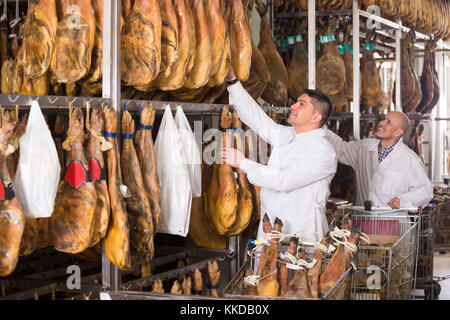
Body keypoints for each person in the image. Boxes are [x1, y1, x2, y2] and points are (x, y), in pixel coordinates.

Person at [221, 68, 337, 243]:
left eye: (301, 104)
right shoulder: (287, 135)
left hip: (303, 234)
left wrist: (243, 162)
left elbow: (284, 180)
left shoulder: (323, 152)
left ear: (316, 117)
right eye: (296, 102)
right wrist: (232, 82)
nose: (293, 106)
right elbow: (255, 117)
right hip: (270, 228)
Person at [325, 111, 433, 210]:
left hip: (393, 223)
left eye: (388, 122)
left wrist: (403, 201)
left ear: (398, 132)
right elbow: (340, 148)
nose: (381, 123)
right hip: (364, 221)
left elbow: (426, 190)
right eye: (384, 119)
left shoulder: (410, 159)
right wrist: (319, 127)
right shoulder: (364, 148)